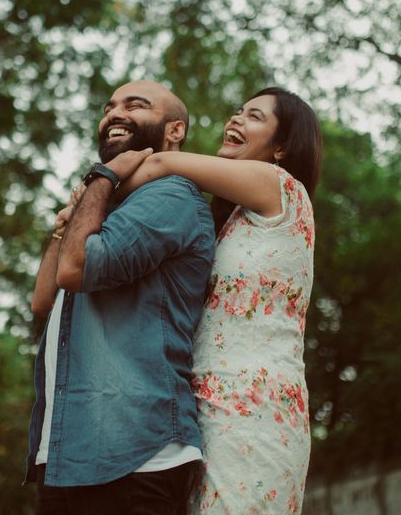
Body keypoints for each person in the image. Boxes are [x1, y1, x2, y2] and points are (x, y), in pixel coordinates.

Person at [110, 87, 321, 515]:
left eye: (255, 117)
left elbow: (163, 162)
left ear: (281, 147)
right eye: (237, 112)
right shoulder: (227, 222)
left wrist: (96, 188)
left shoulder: (281, 188)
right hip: (200, 409)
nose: (236, 120)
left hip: (252, 408)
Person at [25, 80, 216, 515]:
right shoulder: (106, 211)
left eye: (137, 105)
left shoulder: (171, 196)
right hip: (67, 454)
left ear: (174, 131)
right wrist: (70, 220)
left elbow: (73, 272)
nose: (115, 113)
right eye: (109, 106)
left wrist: (101, 176)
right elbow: (43, 300)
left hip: (135, 456)